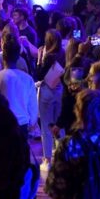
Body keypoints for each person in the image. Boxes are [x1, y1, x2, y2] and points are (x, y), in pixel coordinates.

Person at [0, 37, 38, 137]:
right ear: (18, 56)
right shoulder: (27, 79)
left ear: (3, 56)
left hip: (0, 124)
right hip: (21, 124)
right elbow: (32, 106)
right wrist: (31, 123)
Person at [36, 29, 65, 163]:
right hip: (60, 91)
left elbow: (39, 75)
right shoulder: (63, 54)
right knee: (59, 124)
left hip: (47, 91)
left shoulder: (48, 56)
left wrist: (39, 60)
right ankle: (62, 155)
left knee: (46, 126)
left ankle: (47, 158)